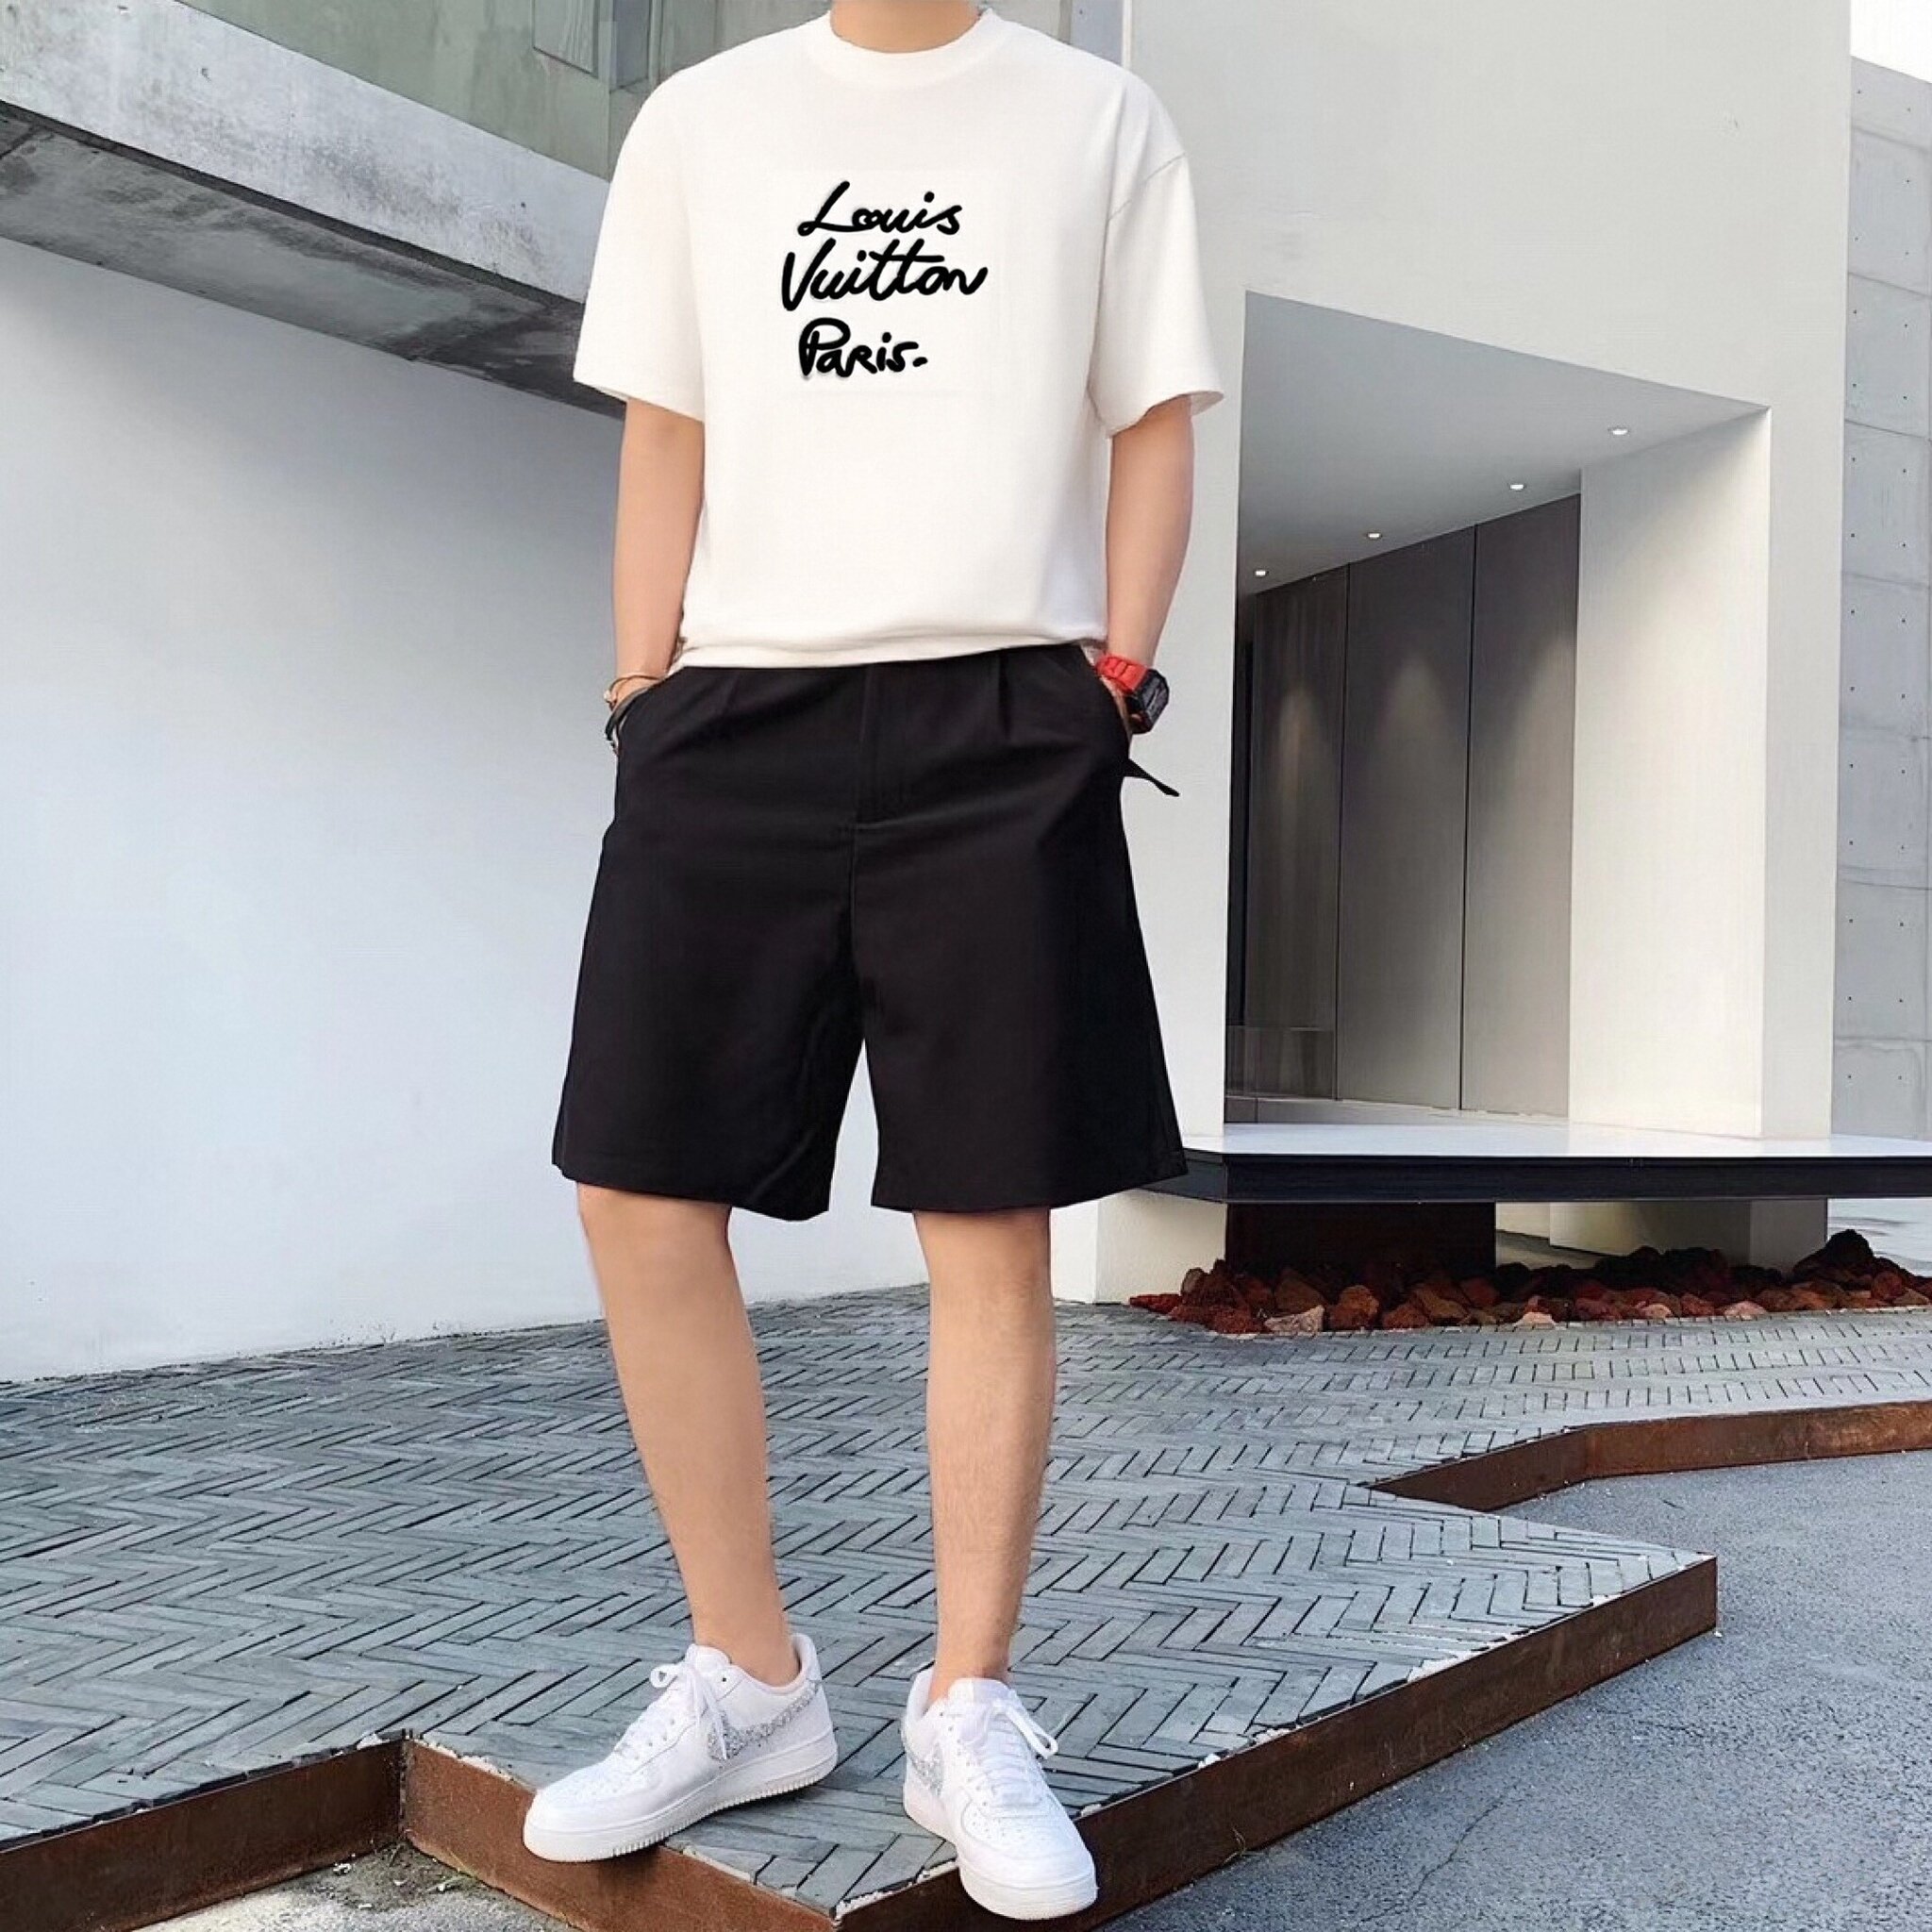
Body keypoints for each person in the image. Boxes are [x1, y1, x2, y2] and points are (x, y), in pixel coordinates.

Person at [522, 0, 1221, 1918]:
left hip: (1004, 713)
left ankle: (964, 1704)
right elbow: (668, 424)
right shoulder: (701, 119)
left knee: (988, 1214)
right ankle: (750, 1677)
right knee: (634, 1182)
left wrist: (1111, 681)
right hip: (732, 708)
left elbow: (1152, 420)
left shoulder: (1098, 119)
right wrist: (641, 690)